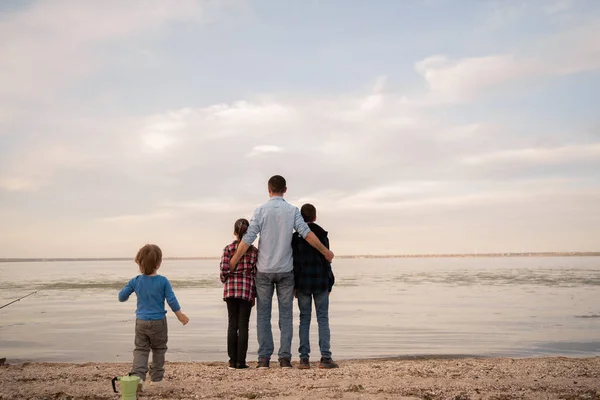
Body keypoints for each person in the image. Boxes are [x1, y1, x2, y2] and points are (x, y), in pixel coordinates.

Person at [229, 175, 334, 369]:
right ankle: (285, 358)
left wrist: (233, 260)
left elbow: (249, 238)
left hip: (264, 269)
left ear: (268, 190)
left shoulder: (260, 211)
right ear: (285, 190)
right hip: (286, 270)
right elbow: (307, 234)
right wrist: (325, 251)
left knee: (263, 315)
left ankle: (263, 358)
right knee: (286, 316)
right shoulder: (292, 210)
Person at [118, 244, 189, 386]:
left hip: (141, 322)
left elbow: (121, 297)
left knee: (141, 349)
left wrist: (128, 293)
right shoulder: (163, 281)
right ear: (159, 263)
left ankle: (138, 377)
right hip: (159, 323)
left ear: (139, 262)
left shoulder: (136, 281)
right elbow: (171, 300)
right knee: (159, 349)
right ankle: (156, 379)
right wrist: (180, 315)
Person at [292, 203, 338, 369]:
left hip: (303, 283)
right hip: (320, 283)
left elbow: (295, 264)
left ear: (301, 219)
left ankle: (304, 359)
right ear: (315, 217)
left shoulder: (296, 238)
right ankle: (325, 358)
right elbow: (327, 261)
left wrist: (294, 286)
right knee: (323, 319)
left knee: (304, 319)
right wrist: (330, 283)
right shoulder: (322, 235)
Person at [219, 218, 258, 370]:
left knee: (232, 324)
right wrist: (253, 294)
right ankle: (241, 362)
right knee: (243, 326)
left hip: (231, 291)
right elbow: (255, 274)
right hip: (246, 290)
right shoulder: (254, 252)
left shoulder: (228, 249)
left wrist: (226, 280)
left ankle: (231, 361)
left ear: (235, 232)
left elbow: (224, 271)